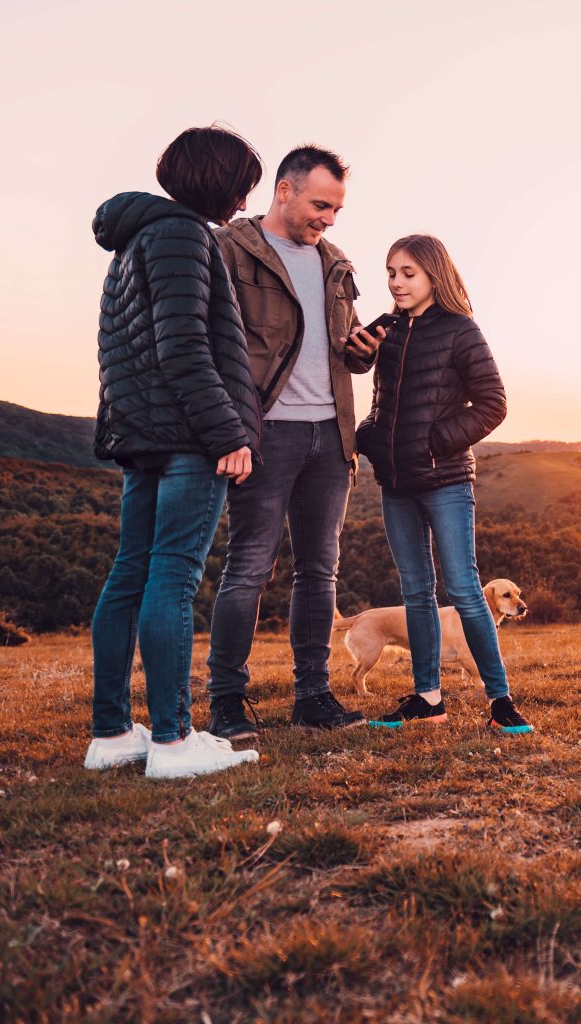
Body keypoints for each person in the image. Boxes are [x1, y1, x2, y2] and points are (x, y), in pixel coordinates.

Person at [84, 126, 265, 779]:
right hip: (189, 436)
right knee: (173, 577)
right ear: (217, 180)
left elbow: (127, 350)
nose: (243, 202)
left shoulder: (134, 240)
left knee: (130, 573)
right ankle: (171, 740)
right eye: (241, 186)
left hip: (143, 434)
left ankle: (112, 734)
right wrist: (229, 433)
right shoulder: (185, 236)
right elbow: (183, 346)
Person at [206, 146, 383, 737]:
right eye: (320, 205)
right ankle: (227, 702)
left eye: (336, 210)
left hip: (331, 437)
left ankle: (313, 697)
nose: (328, 219)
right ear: (284, 190)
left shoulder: (335, 263)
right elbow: (212, 344)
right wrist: (229, 429)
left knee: (320, 572)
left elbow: (339, 349)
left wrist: (361, 352)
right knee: (250, 568)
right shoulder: (229, 249)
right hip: (264, 433)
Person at [354, 235, 534, 734]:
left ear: (434, 274)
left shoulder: (460, 330)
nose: (396, 282)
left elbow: (493, 404)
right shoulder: (388, 331)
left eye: (408, 273)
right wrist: (369, 436)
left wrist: (433, 443)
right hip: (396, 483)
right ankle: (428, 698)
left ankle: (500, 701)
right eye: (391, 273)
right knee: (416, 592)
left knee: (464, 589)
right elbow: (378, 400)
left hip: (445, 479)